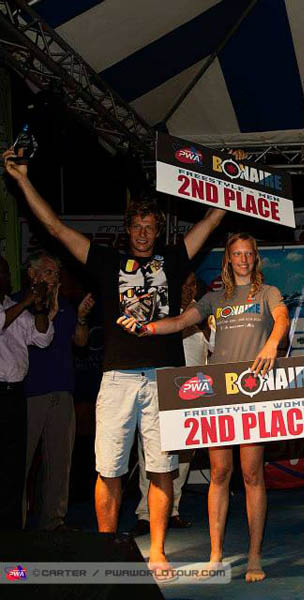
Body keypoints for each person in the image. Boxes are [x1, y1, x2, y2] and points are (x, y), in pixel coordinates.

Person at [3, 147, 225, 577]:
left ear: (157, 230)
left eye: (150, 227)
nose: (143, 234)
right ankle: (108, 552)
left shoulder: (173, 259)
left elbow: (212, 220)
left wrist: (232, 177)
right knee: (109, 469)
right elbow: (54, 227)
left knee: (162, 469)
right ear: (127, 230)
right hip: (118, 377)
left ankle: (157, 551)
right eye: (137, 227)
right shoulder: (106, 261)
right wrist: (23, 180)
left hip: (163, 377)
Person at [119, 233, 288, 582]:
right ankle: (215, 554)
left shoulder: (268, 292)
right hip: (218, 395)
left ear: (255, 258)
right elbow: (180, 322)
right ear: (228, 260)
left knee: (252, 475)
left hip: (253, 391)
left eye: (248, 254)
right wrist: (147, 328)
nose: (243, 259)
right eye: (236, 254)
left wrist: (272, 342)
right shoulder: (214, 298)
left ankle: (254, 556)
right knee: (220, 474)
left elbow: (282, 318)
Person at [18, 251, 93, 531]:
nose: (54, 279)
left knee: (60, 461)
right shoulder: (17, 303)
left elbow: (81, 342)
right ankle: (15, 523)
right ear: (32, 274)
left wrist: (81, 318)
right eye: (49, 272)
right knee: (21, 463)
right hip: (29, 393)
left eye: (56, 274)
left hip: (62, 391)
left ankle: (53, 521)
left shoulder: (64, 305)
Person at [132, 273, 208, 537]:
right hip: (160, 391)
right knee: (151, 454)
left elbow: (213, 349)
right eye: (183, 284)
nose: (187, 289)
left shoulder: (204, 313)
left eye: (192, 285)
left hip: (194, 394)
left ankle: (172, 509)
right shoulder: (160, 310)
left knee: (184, 456)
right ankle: (146, 514)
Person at [0, 255, 55, 530]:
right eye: (0, 272)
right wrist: (26, 301)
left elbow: (42, 338)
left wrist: (41, 308)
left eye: (6, 272)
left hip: (15, 395)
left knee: (13, 465)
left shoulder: (13, 306)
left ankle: (11, 531)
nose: (4, 277)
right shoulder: (14, 308)